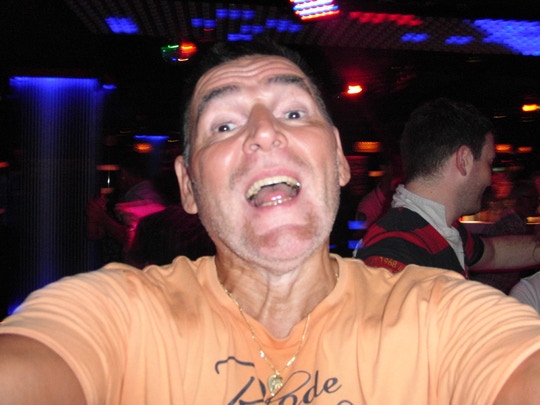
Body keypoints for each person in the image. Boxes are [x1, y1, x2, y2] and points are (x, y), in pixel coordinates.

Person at [2, 41, 540, 404]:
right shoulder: (118, 316)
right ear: (188, 185)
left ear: (338, 160)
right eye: (224, 124)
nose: (264, 132)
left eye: (293, 113)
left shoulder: (439, 315)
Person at [355, 98, 540, 280]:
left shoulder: (441, 227)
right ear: (464, 160)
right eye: (489, 162)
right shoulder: (396, 249)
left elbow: (493, 253)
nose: (490, 180)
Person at [471, 179, 540, 293]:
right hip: (492, 289)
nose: (535, 203)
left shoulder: (518, 221)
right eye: (531, 198)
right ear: (519, 199)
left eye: (537, 199)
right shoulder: (511, 223)